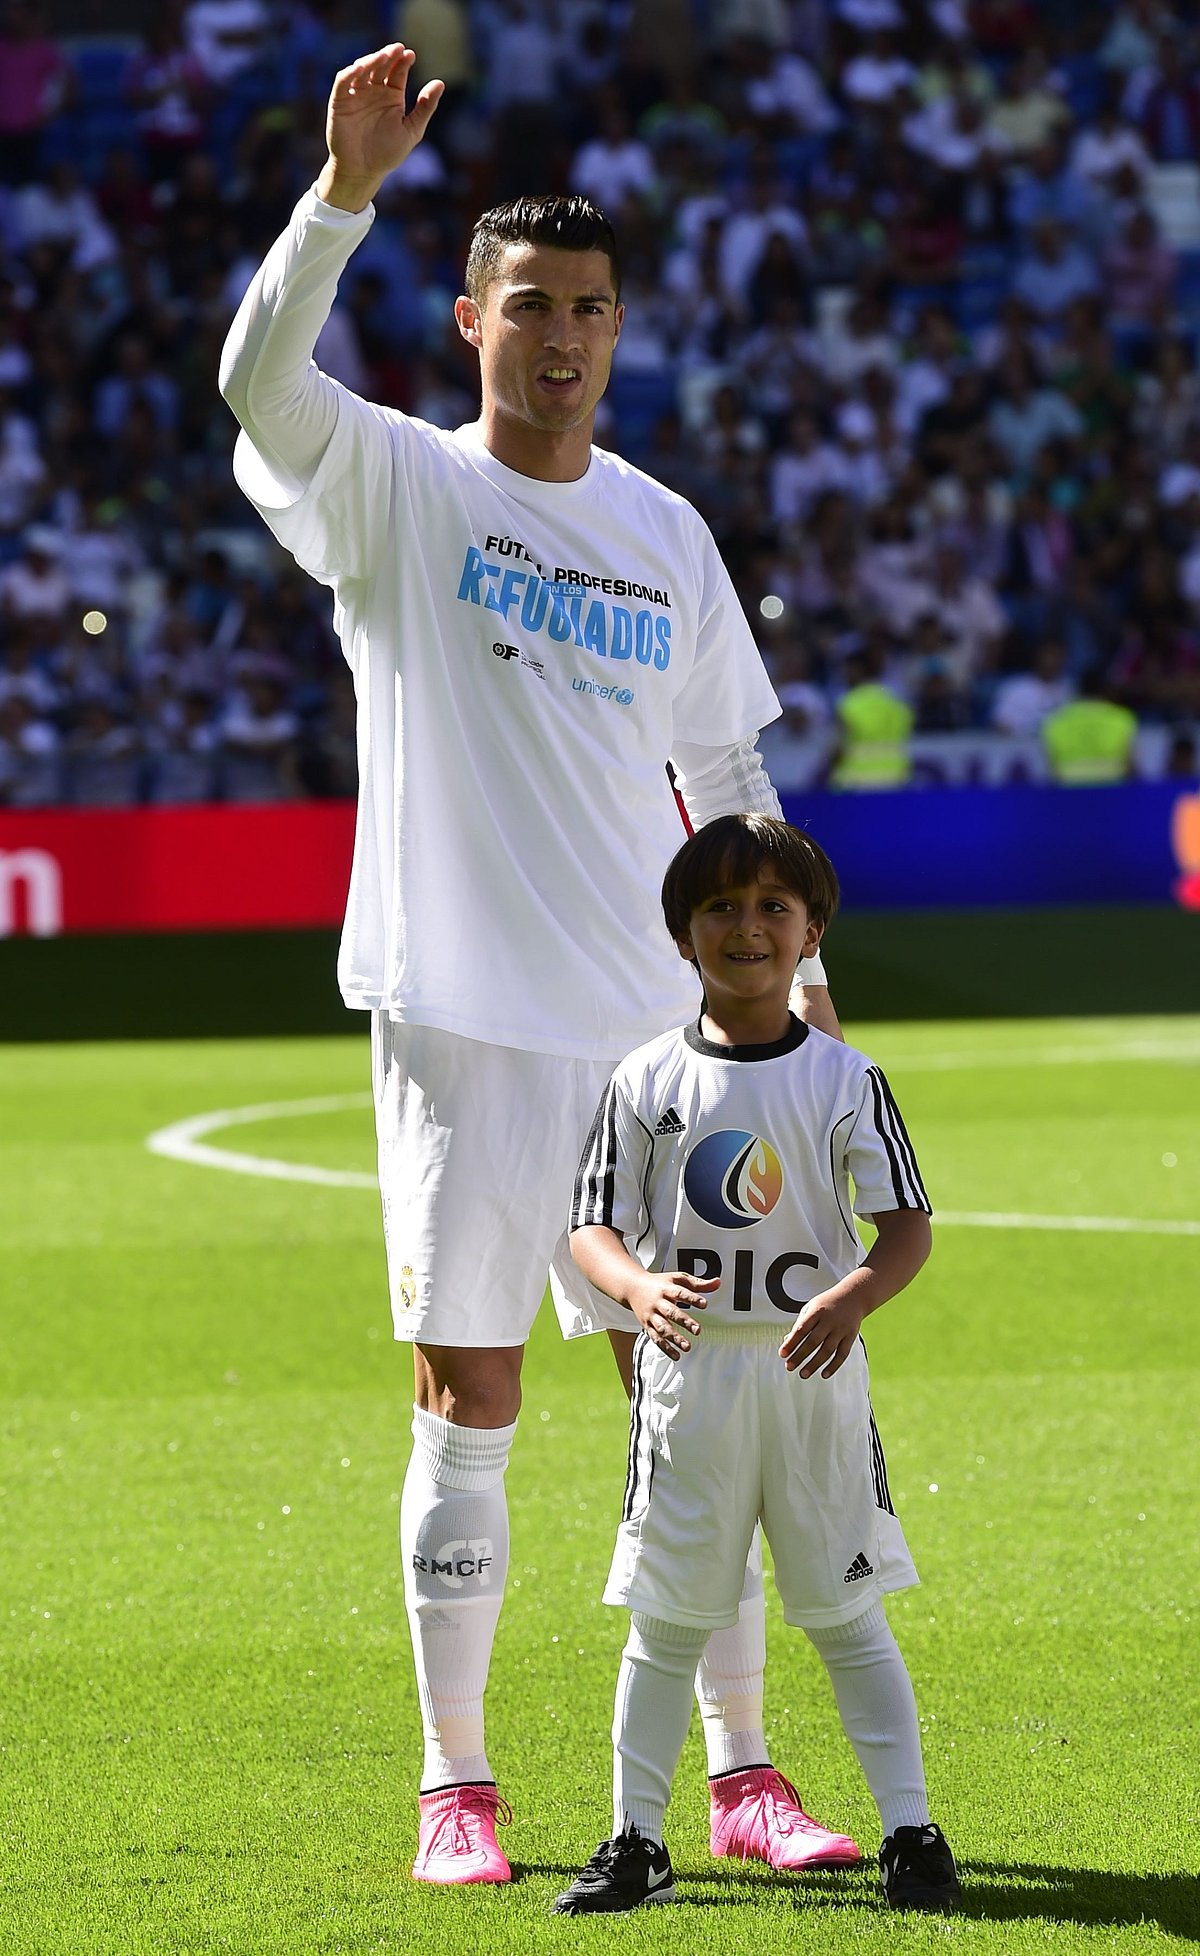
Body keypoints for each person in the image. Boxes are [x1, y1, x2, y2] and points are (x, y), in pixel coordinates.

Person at [218, 42, 848, 1887]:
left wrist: (797, 986)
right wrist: (342, 200)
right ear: (474, 317)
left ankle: (740, 1774)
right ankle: (458, 1785)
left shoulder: (665, 531)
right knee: (470, 1399)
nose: (558, 335)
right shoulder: (394, 489)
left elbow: (729, 768)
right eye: (526, 305)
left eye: (586, 309)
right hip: (462, 1025)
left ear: (617, 326)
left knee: (705, 1399)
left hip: (660, 1048)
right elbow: (259, 380)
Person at [554, 814, 961, 1916]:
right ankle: (636, 1839)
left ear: (810, 931)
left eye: (772, 907)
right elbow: (589, 1226)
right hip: (691, 1385)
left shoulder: (845, 1077)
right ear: (683, 937)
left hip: (816, 1380)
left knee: (845, 1613)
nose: (747, 927)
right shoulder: (644, 1078)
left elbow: (907, 1227)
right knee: (671, 1618)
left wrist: (859, 1290)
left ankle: (911, 1832)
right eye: (720, 909)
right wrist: (636, 1290)